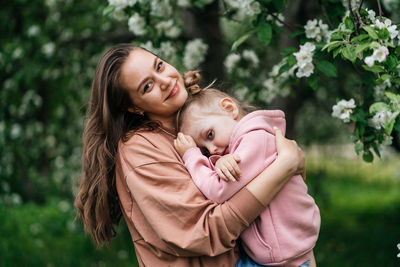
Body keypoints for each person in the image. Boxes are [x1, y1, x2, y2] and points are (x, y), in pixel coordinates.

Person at [74, 43, 306, 267]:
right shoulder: (141, 150)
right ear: (134, 107)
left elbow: (280, 194)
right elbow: (204, 232)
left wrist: (303, 256)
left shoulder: (200, 119)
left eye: (160, 66)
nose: (165, 81)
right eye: (147, 86)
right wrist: (284, 166)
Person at [174, 87, 320, 267]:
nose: (211, 150)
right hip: (276, 253)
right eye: (203, 149)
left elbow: (218, 190)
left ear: (229, 108)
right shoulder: (243, 143)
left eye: (209, 135)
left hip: (284, 258)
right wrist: (219, 161)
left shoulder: (256, 139)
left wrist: (191, 155)